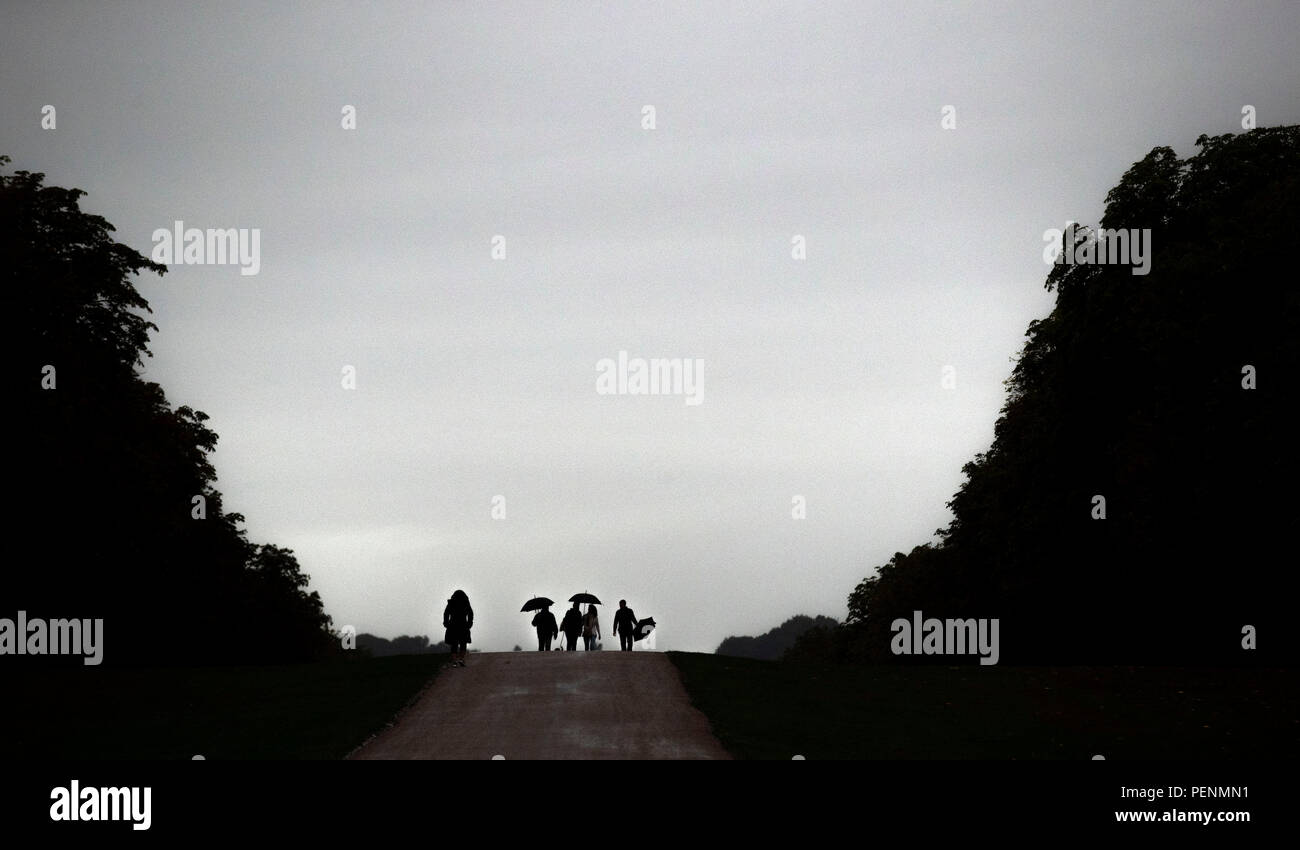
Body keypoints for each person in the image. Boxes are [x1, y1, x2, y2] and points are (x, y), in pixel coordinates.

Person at [442, 589, 473, 667]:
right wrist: (469, 623)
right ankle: (461, 659)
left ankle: (454, 661)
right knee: (463, 643)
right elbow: (470, 614)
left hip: (453, 625)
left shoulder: (451, 603)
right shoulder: (466, 603)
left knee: (454, 644)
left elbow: (446, 613)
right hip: (463, 625)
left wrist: (446, 622)